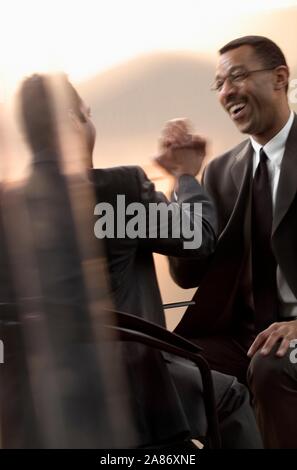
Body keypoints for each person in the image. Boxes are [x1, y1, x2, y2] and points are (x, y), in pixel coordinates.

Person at [15, 73, 262, 449]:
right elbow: (197, 237)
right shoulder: (117, 188)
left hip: (38, 400)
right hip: (129, 386)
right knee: (231, 398)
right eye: (87, 114)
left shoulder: (9, 209)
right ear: (69, 121)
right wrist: (185, 177)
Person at [165, 36, 297, 448]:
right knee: (164, 366)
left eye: (237, 76)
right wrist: (184, 179)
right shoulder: (222, 171)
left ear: (280, 79)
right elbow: (189, 272)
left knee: (272, 366)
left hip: (290, 338)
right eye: (219, 83)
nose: (226, 92)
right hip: (242, 334)